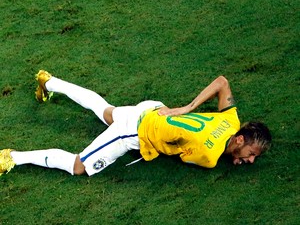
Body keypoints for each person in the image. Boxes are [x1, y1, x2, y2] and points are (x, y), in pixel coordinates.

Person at [0, 70, 272, 176]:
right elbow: (182, 154)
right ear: (239, 139)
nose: (249, 160)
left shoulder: (231, 118)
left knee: (106, 110)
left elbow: (222, 82)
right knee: (78, 166)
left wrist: (187, 108)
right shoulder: (210, 156)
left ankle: (49, 81)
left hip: (154, 108)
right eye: (250, 155)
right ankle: (12, 157)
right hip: (134, 131)